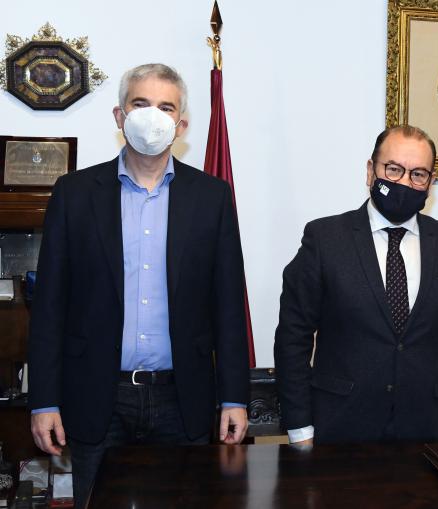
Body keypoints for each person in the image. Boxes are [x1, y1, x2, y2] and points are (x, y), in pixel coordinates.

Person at [28, 63, 250, 507]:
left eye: (166, 107)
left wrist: (234, 398)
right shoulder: (74, 194)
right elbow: (50, 306)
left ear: (182, 124)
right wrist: (43, 402)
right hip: (97, 396)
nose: (153, 116)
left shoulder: (212, 197)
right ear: (119, 116)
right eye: (141, 104)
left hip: (181, 398)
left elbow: (227, 305)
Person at [274, 125, 438, 445]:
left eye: (418, 174)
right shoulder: (325, 239)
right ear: (371, 171)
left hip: (430, 428)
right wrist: (300, 428)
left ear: (431, 182)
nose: (404, 182)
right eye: (394, 169)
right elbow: (293, 337)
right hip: (341, 427)